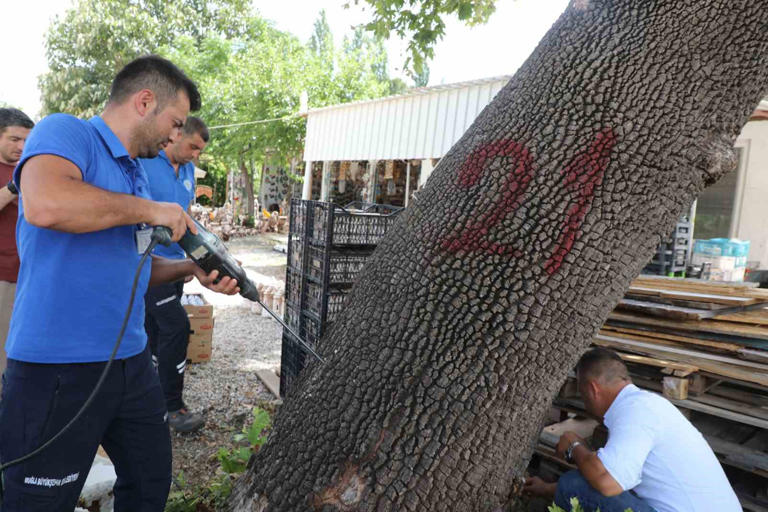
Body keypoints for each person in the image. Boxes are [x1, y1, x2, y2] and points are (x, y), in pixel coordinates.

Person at [0, 55, 239, 512]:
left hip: (131, 364)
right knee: (39, 501)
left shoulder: (135, 175)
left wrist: (192, 270)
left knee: (150, 483)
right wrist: (151, 212)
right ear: (144, 101)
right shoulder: (65, 133)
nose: (177, 135)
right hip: (57, 368)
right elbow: (46, 204)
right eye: (175, 122)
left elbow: (136, 270)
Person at [524, 347, 740, 512]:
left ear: (592, 389)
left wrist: (574, 445)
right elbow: (621, 480)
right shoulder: (645, 405)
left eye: (581, 393)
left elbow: (607, 483)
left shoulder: (635, 413)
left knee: (574, 485)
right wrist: (546, 489)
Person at [140, 116, 209, 432]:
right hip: (148, 265)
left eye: (200, 150)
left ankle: (149, 399)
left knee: (155, 333)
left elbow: (187, 215)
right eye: (193, 146)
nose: (196, 154)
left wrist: (193, 256)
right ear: (177, 135)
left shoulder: (190, 171)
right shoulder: (146, 161)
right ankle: (173, 407)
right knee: (177, 327)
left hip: (177, 266)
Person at [0, 108, 33, 390]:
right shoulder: (17, 176)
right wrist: (13, 186)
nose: (21, 147)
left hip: (31, 275)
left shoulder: (31, 168)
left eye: (26, 140)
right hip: (4, 277)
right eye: (14, 139)